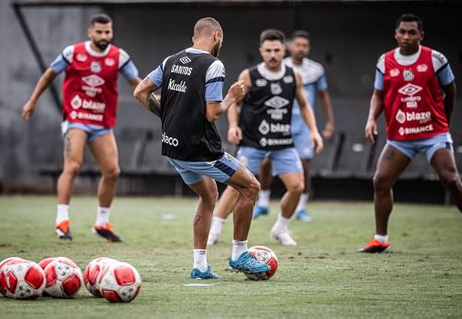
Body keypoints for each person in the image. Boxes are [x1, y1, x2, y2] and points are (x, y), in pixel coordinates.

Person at [133, 17, 271, 279]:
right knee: (251, 187)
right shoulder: (214, 65)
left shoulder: (170, 60)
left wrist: (168, 117)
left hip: (172, 148)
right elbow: (213, 114)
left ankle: (199, 266)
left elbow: (140, 91)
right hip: (201, 151)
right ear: (217, 35)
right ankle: (239, 254)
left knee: (208, 196)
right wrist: (232, 97)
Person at [22, 14, 141, 242]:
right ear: (90, 32)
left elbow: (138, 84)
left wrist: (159, 105)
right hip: (76, 116)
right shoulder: (72, 53)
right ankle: (62, 220)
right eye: (99, 32)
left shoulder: (119, 57)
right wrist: (33, 100)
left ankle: (102, 222)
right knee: (74, 165)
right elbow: (49, 75)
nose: (104, 36)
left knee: (113, 171)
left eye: (108, 32)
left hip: (102, 121)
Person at [360, 13, 462, 253]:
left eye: (412, 33)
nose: (406, 37)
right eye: (402, 32)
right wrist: (371, 119)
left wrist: (443, 123)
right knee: (380, 180)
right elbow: (378, 94)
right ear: (396, 34)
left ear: (421, 35)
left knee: (451, 180)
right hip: (400, 137)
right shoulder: (385, 61)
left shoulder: (436, 59)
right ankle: (380, 239)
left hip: (433, 134)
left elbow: (450, 91)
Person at [207, 29, 324, 246]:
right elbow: (234, 103)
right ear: (261, 51)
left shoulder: (293, 76)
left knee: (297, 186)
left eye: (277, 50)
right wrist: (233, 126)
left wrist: (314, 131)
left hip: (282, 142)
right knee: (236, 185)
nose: (272, 55)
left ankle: (280, 228)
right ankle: (215, 229)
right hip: (252, 142)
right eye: (268, 50)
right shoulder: (249, 75)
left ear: (284, 51)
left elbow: (305, 105)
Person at [253, 30, 335, 222]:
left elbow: (323, 96)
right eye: (297, 45)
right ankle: (263, 203)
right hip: (278, 123)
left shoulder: (315, 70)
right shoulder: (280, 67)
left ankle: (301, 208)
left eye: (304, 46)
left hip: (303, 125)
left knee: (305, 165)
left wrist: (330, 121)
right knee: (266, 162)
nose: (301, 49)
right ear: (289, 47)